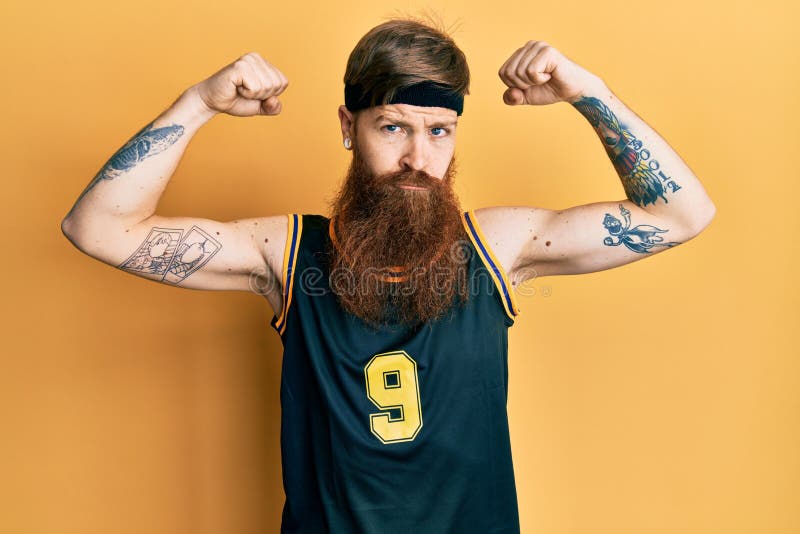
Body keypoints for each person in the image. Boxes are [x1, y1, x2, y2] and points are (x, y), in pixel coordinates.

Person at [61, 16, 715, 534]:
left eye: (440, 131)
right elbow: (98, 228)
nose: (417, 158)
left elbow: (682, 214)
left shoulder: (498, 246)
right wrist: (198, 102)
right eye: (392, 126)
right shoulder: (285, 255)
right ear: (349, 127)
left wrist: (588, 92)